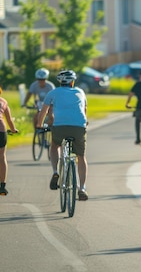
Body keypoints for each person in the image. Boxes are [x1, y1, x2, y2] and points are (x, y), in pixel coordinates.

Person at [36, 70, 89, 201]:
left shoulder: (52, 93)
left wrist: (39, 124)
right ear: (72, 82)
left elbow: (44, 110)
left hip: (60, 127)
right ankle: (82, 188)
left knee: (54, 146)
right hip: (79, 127)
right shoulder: (80, 92)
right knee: (81, 156)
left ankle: (55, 172)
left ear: (60, 82)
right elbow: (84, 109)